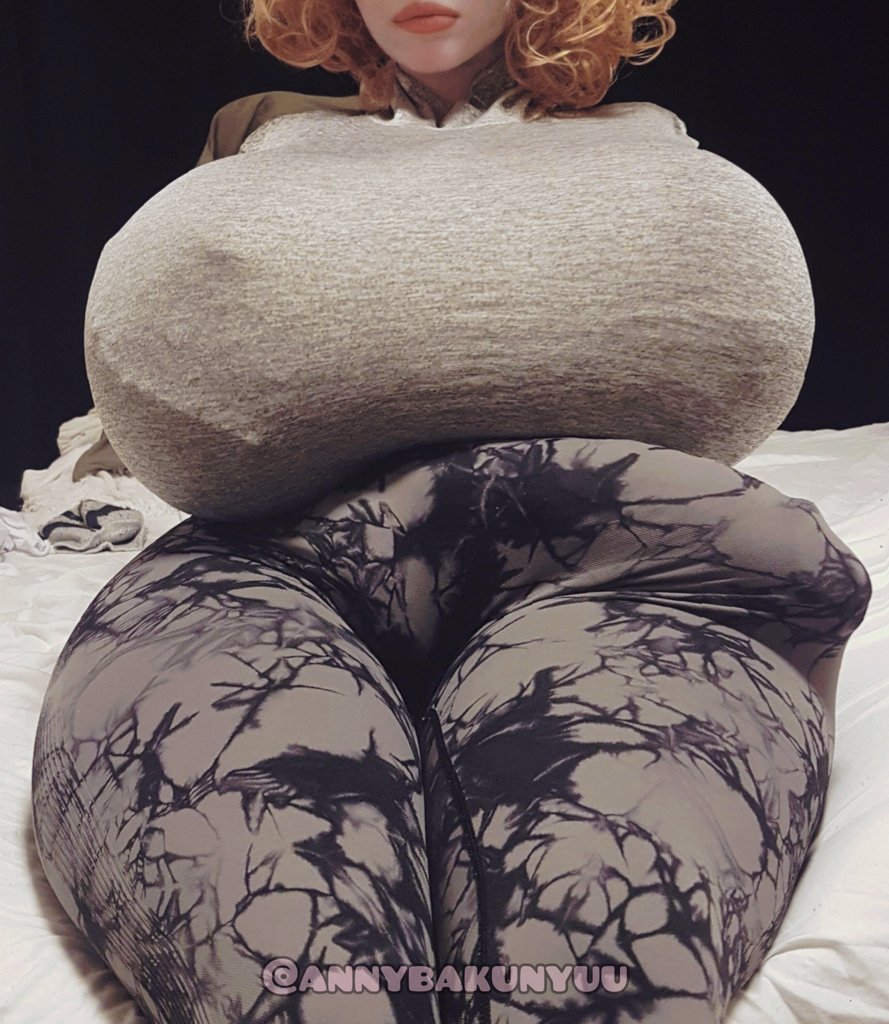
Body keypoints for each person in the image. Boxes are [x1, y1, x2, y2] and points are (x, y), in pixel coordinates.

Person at [31, 2, 873, 1022]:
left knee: (597, 945)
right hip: (265, 559)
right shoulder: (259, 130)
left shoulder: (639, 142)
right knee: (281, 942)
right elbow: (180, 356)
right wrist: (97, 461)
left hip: (619, 555)